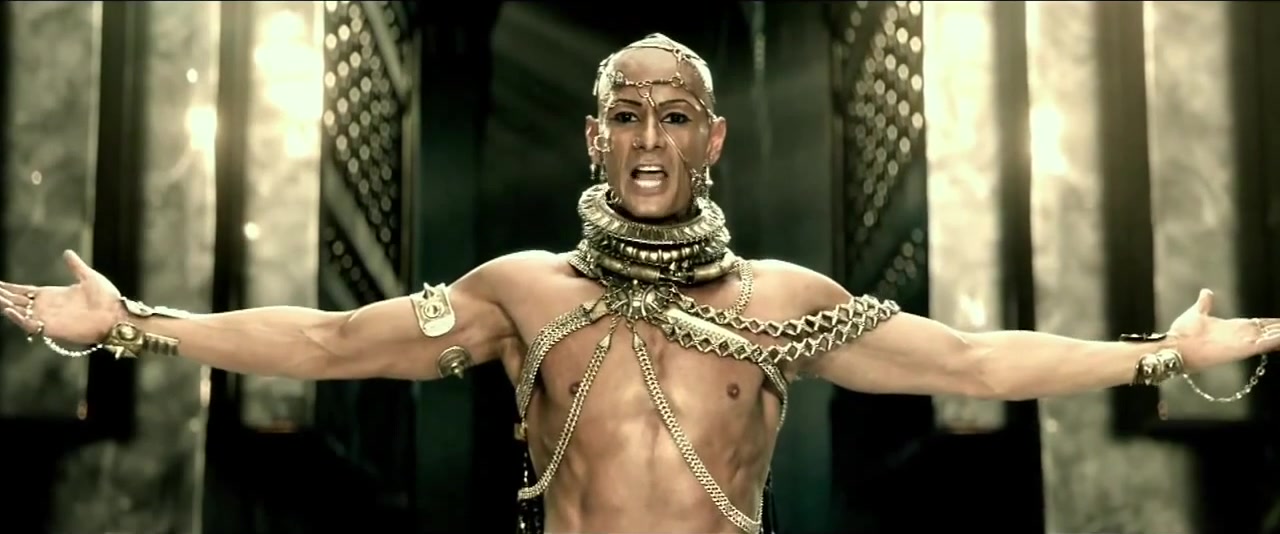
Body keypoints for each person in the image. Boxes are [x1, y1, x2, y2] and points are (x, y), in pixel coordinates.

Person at [1, 33, 1276, 534]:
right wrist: (133, 328)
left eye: (674, 117)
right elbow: (333, 342)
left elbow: (971, 363)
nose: (649, 139)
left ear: (709, 139)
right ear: (594, 136)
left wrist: (1163, 356)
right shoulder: (523, 293)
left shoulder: (777, 303)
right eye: (626, 115)